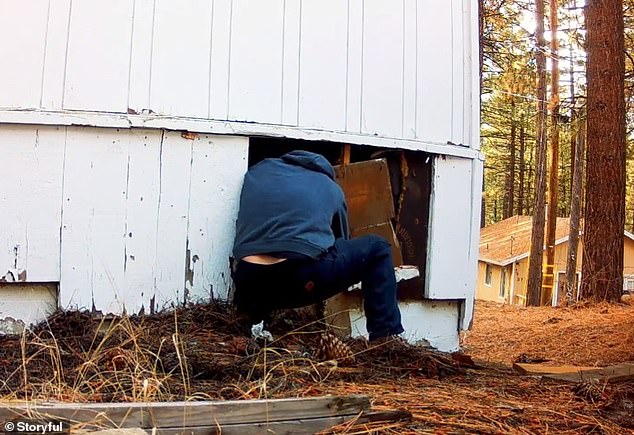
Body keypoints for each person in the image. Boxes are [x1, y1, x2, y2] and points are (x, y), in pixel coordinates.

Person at [231, 150, 403, 342]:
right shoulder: (329, 186)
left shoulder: (256, 174)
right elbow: (341, 238)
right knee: (377, 248)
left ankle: (254, 322)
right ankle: (385, 337)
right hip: (300, 278)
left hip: (248, 282)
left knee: (271, 246)